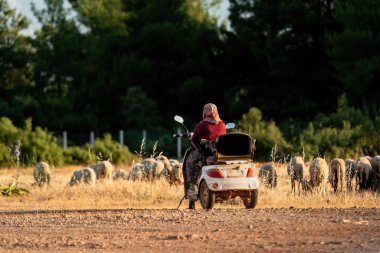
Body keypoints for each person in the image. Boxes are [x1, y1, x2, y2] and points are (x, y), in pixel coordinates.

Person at [185, 103, 226, 199]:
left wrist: (192, 138)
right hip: (222, 153)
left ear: (205, 112)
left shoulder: (202, 125)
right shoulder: (222, 124)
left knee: (190, 161)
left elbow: (194, 141)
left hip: (208, 153)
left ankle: (192, 186)